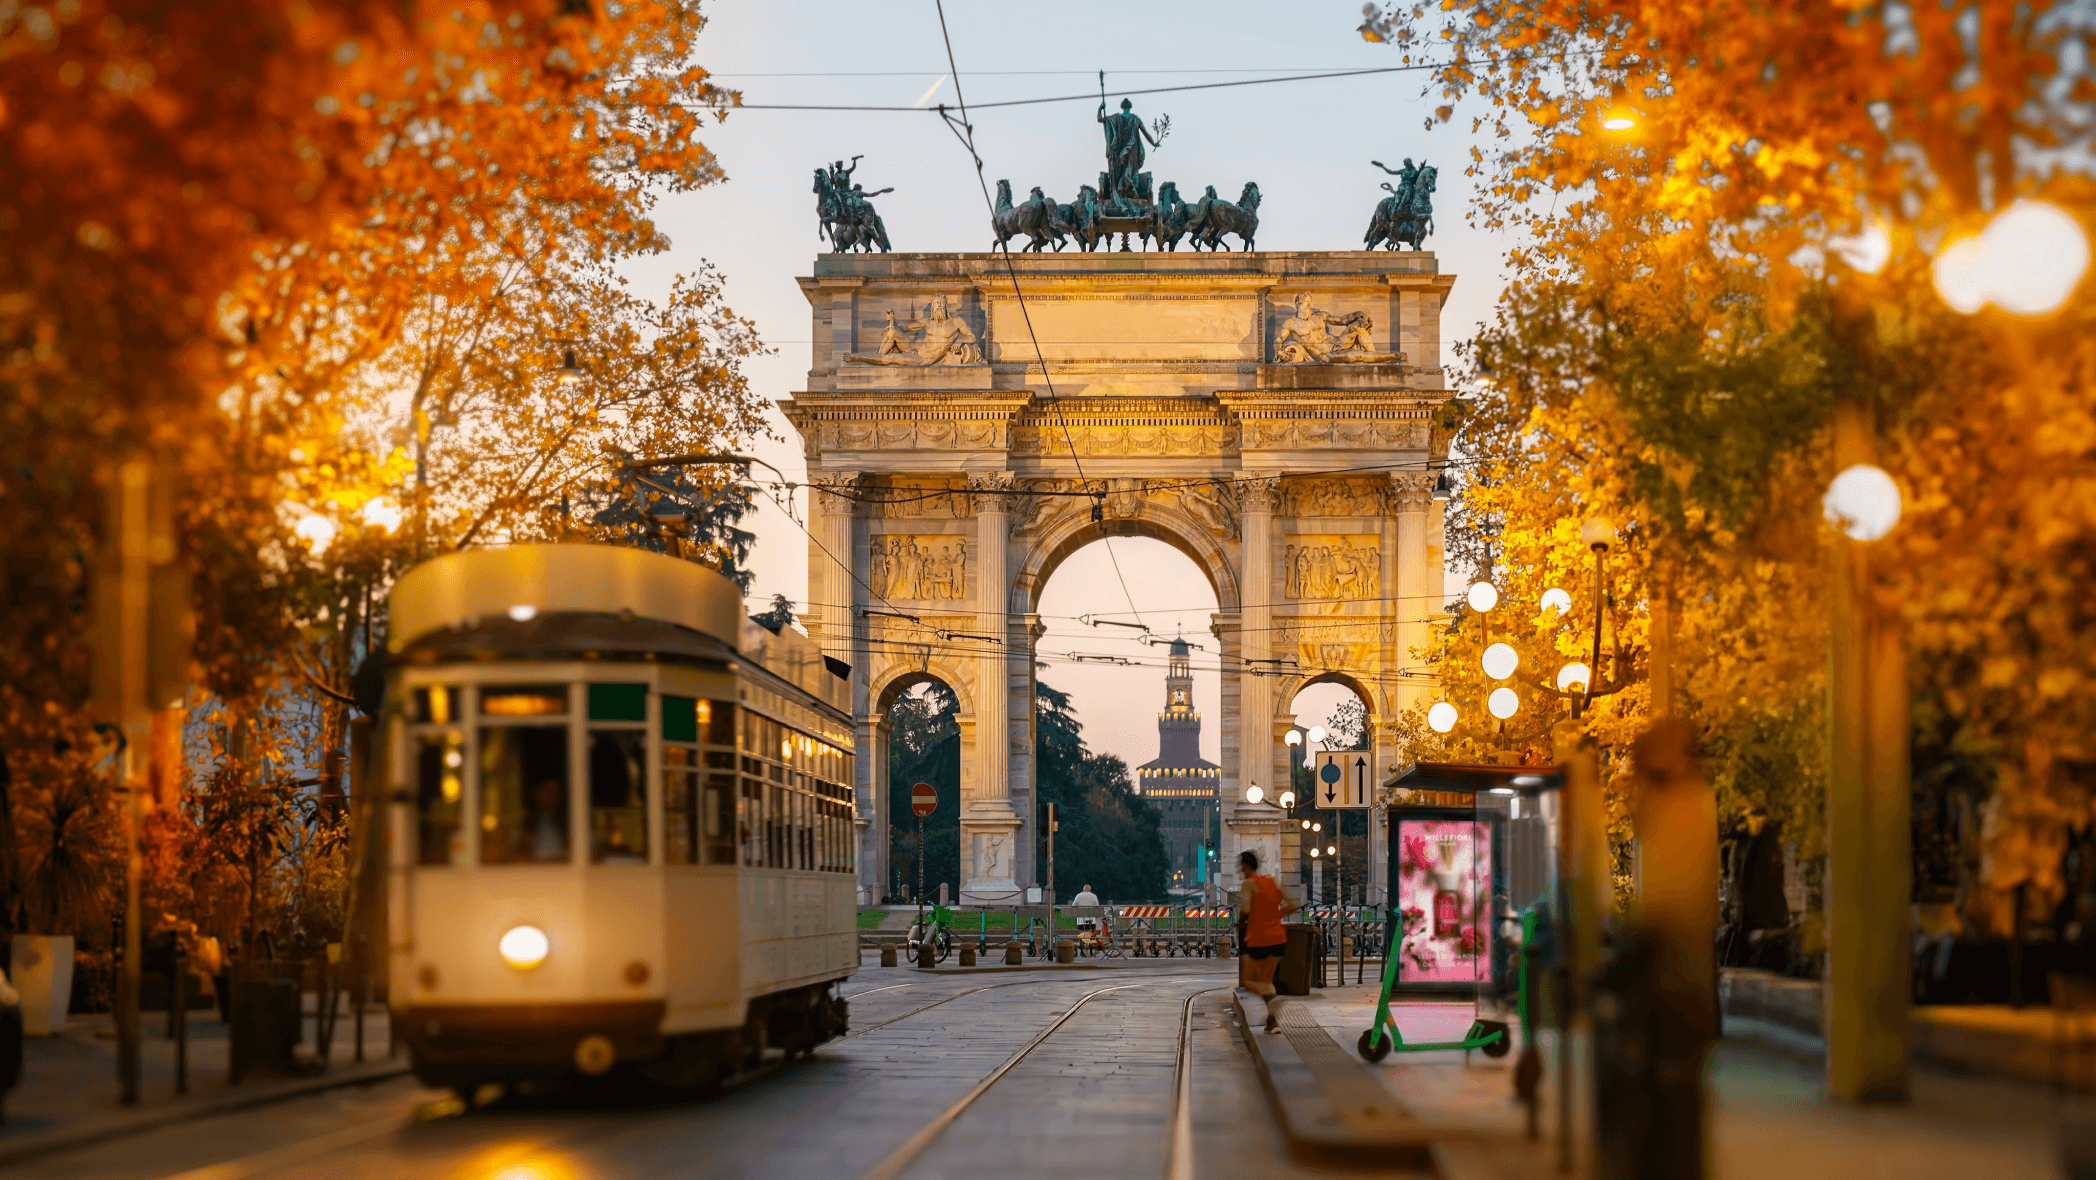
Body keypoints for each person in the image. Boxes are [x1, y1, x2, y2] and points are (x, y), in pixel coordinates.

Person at [1237, 849, 1298, 1033]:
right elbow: (1293, 904)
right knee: (1266, 979)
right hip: (1278, 938)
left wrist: (1240, 921)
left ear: (1246, 867)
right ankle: (1272, 1023)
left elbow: (1246, 909)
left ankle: (1273, 998)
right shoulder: (1273, 882)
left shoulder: (1248, 884)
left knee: (1247, 981)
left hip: (1258, 938)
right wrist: (1275, 915)